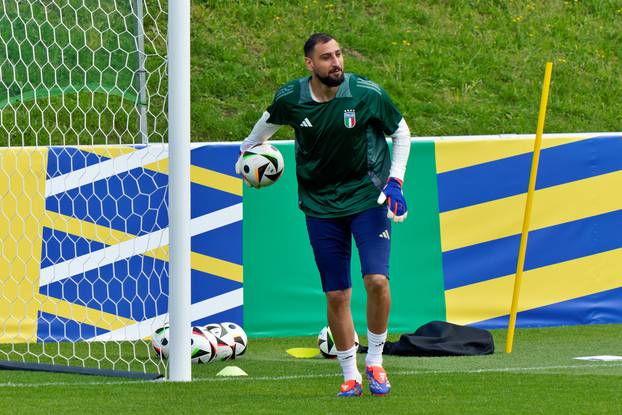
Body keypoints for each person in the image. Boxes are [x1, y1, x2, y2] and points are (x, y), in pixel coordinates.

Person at [236, 33, 411, 397]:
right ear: (310, 64)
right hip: (320, 207)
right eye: (327, 57)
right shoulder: (291, 99)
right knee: (336, 294)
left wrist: (395, 181)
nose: (337, 62)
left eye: (339, 54)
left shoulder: (366, 93)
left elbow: (401, 131)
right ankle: (350, 374)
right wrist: (251, 165)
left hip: (367, 199)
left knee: (377, 281)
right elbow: (251, 143)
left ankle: (375, 362)